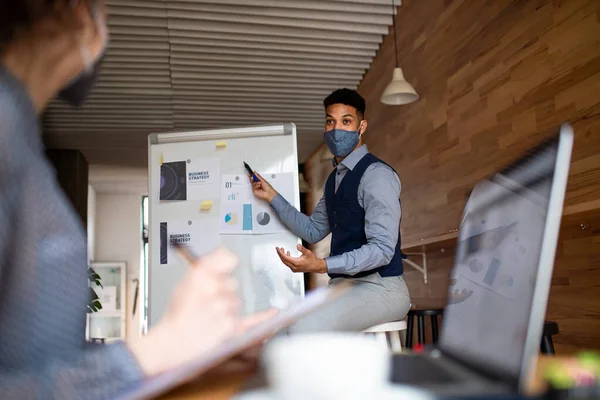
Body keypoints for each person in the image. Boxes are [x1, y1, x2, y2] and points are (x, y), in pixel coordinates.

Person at [0, 1, 273, 398]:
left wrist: (188, 358)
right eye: (106, 12)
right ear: (78, 11)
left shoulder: (21, 130)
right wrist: (160, 349)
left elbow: (34, 361)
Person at [251, 88, 411, 333]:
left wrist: (321, 265)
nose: (337, 129)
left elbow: (382, 250)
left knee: (303, 328)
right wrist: (272, 195)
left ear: (362, 126)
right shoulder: (334, 180)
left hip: (382, 288)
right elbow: (313, 230)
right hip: (343, 288)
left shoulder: (377, 175)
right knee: (281, 326)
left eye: (346, 121)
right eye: (330, 121)